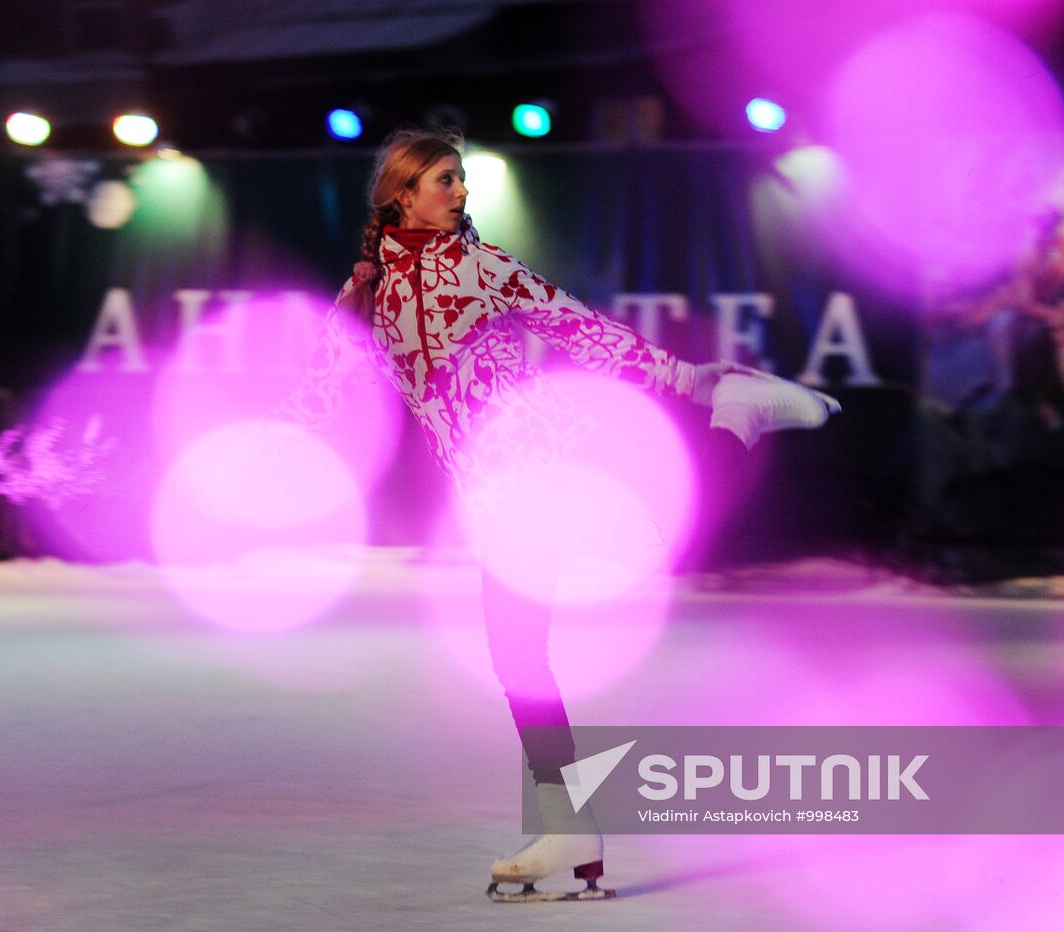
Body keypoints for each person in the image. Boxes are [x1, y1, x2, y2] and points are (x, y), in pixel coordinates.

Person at [282, 128, 840, 901]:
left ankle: (728, 413)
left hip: (534, 472)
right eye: (443, 180)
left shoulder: (478, 265)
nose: (459, 191)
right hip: (490, 496)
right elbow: (317, 403)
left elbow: (575, 324)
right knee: (520, 658)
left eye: (460, 178)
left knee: (616, 580)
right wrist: (345, 313)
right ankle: (570, 829)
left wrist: (684, 378)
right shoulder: (377, 291)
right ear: (401, 195)